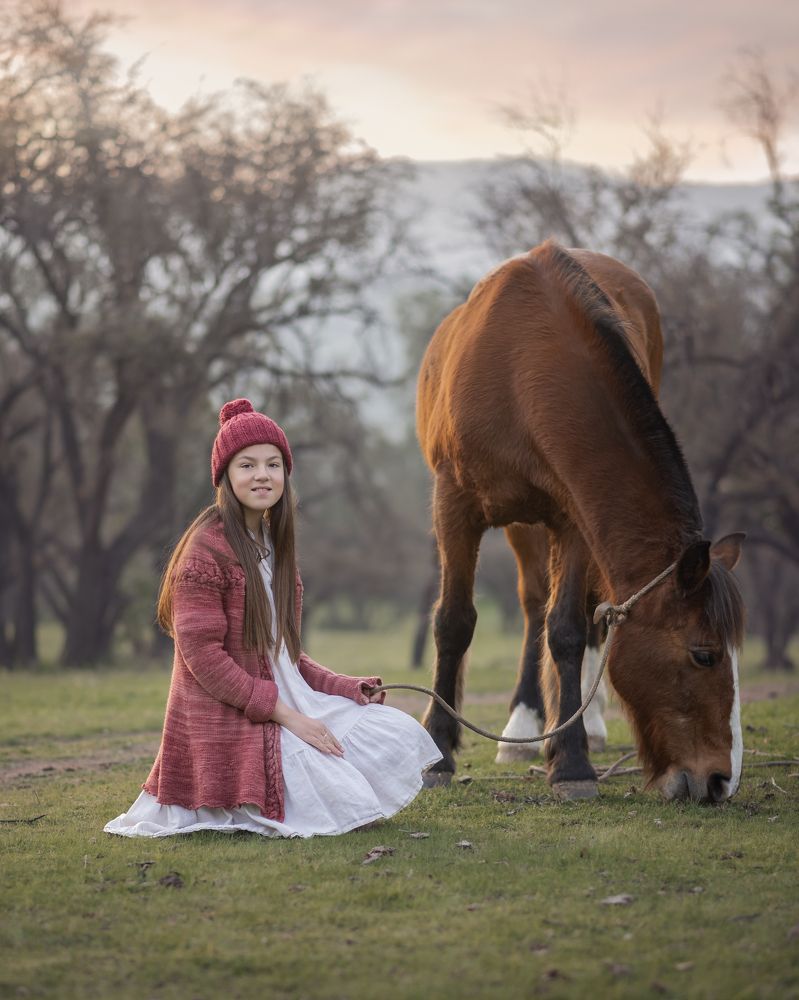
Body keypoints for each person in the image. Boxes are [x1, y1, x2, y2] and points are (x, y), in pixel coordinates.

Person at [105, 398, 441, 838]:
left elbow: (285, 657)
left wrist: (345, 688)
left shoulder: (273, 547)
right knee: (345, 804)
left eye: (273, 464)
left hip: (286, 704)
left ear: (286, 473)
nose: (262, 475)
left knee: (394, 732)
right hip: (238, 719)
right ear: (224, 476)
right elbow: (203, 658)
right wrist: (289, 717)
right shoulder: (204, 552)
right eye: (247, 465)